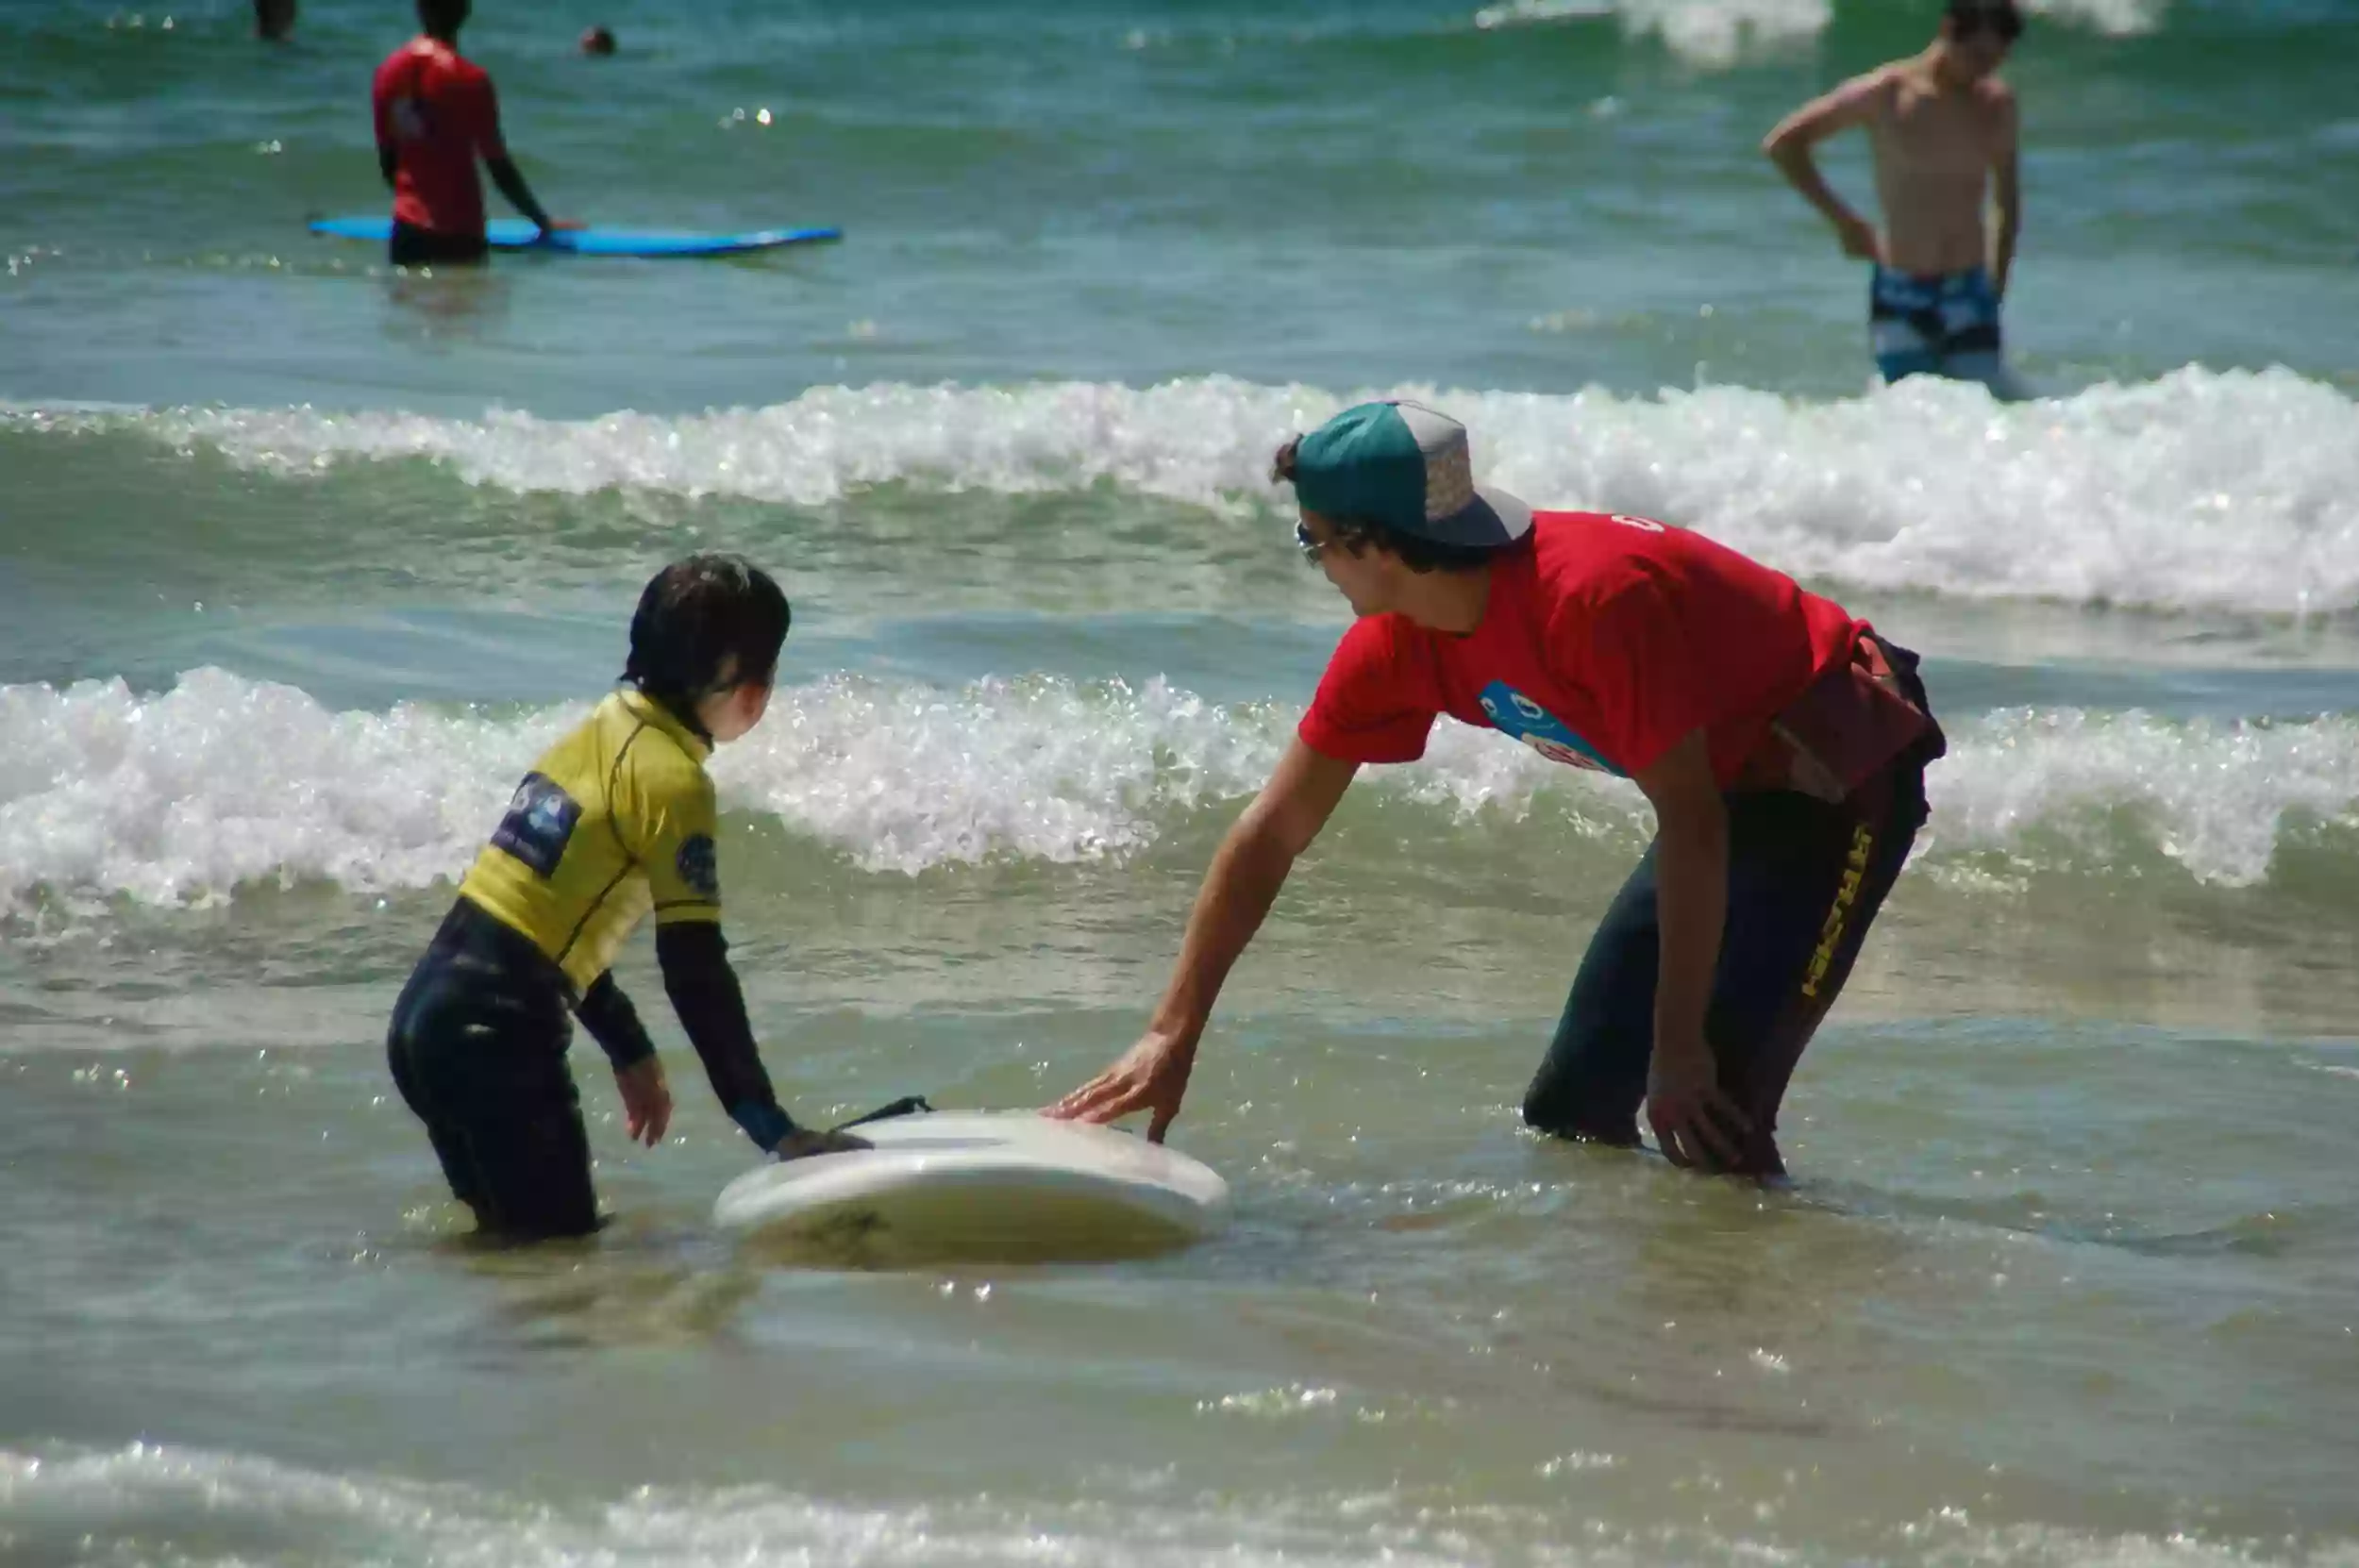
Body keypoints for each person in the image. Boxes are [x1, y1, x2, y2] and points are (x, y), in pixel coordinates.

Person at [1049, 402, 1944, 1177]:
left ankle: (1761, 1347)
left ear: (1374, 544)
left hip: (1835, 766)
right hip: (1716, 789)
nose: (1316, 563)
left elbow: (1692, 822)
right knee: (1574, 1111)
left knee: (1711, 1116)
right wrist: (1173, 1033)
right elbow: (1274, 831)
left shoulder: (1591, 603)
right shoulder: (1394, 648)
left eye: (1312, 540)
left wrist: (1677, 1053)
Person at [388, 556, 867, 1239]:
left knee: (514, 1259)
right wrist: (772, 1127)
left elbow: (538, 924)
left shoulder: (592, 736)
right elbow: (695, 971)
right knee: (566, 1263)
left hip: (425, 1026)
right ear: (752, 690)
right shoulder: (673, 780)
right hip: (497, 1039)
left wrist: (629, 1048)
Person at [1763, 0, 2023, 392]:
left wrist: (1996, 283)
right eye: (1978, 56)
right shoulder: (1886, 94)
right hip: (1902, 291)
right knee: (1911, 418)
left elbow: (2007, 200)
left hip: (1968, 290)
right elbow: (1784, 145)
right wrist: (1844, 222)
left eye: (1997, 59)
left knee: (1988, 416)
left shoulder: (1995, 104)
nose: (1986, 69)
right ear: (1948, 30)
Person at [372, 0, 563, 267]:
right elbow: (498, 167)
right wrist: (542, 221)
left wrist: (416, 204)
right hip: (460, 233)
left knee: (411, 306)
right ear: (465, 11)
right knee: (465, 305)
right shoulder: (470, 78)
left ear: (419, 8)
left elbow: (388, 162)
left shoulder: (387, 72)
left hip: (407, 233)